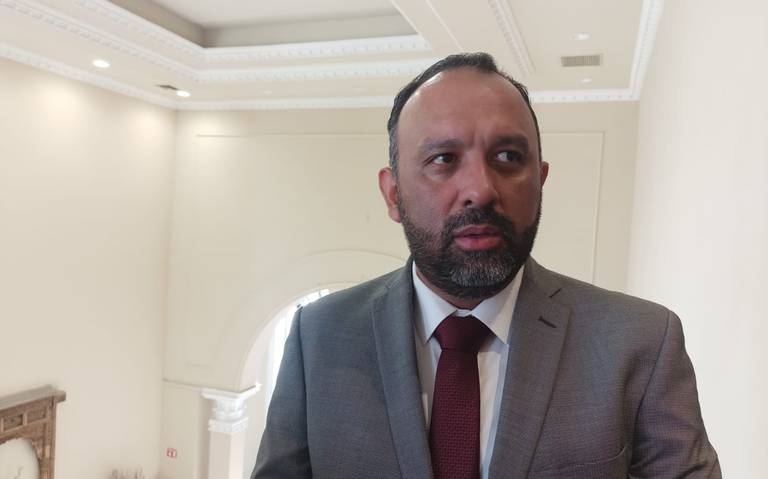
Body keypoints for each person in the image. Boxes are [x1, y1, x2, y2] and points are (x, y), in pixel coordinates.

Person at [252, 52, 720, 478]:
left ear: (540, 180)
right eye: (443, 159)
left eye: (507, 157)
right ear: (393, 194)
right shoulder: (318, 337)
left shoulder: (639, 343)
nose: (480, 189)